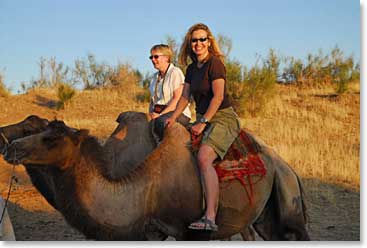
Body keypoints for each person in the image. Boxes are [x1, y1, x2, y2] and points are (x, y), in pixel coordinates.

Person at [166, 23, 240, 231]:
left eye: (202, 39)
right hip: (200, 117)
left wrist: (203, 122)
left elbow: (218, 98)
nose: (198, 43)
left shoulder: (214, 64)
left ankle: (210, 217)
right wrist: (173, 117)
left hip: (221, 117)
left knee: (204, 157)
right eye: (194, 40)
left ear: (209, 42)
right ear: (190, 44)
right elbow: (185, 97)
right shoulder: (191, 69)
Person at [148, 44, 191, 140]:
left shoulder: (175, 72)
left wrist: (160, 115)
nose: (153, 60)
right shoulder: (154, 77)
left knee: (161, 122)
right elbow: (152, 101)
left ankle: (164, 149)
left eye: (156, 57)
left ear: (166, 57)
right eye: (151, 57)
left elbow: (177, 99)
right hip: (159, 112)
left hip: (178, 113)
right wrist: (150, 114)